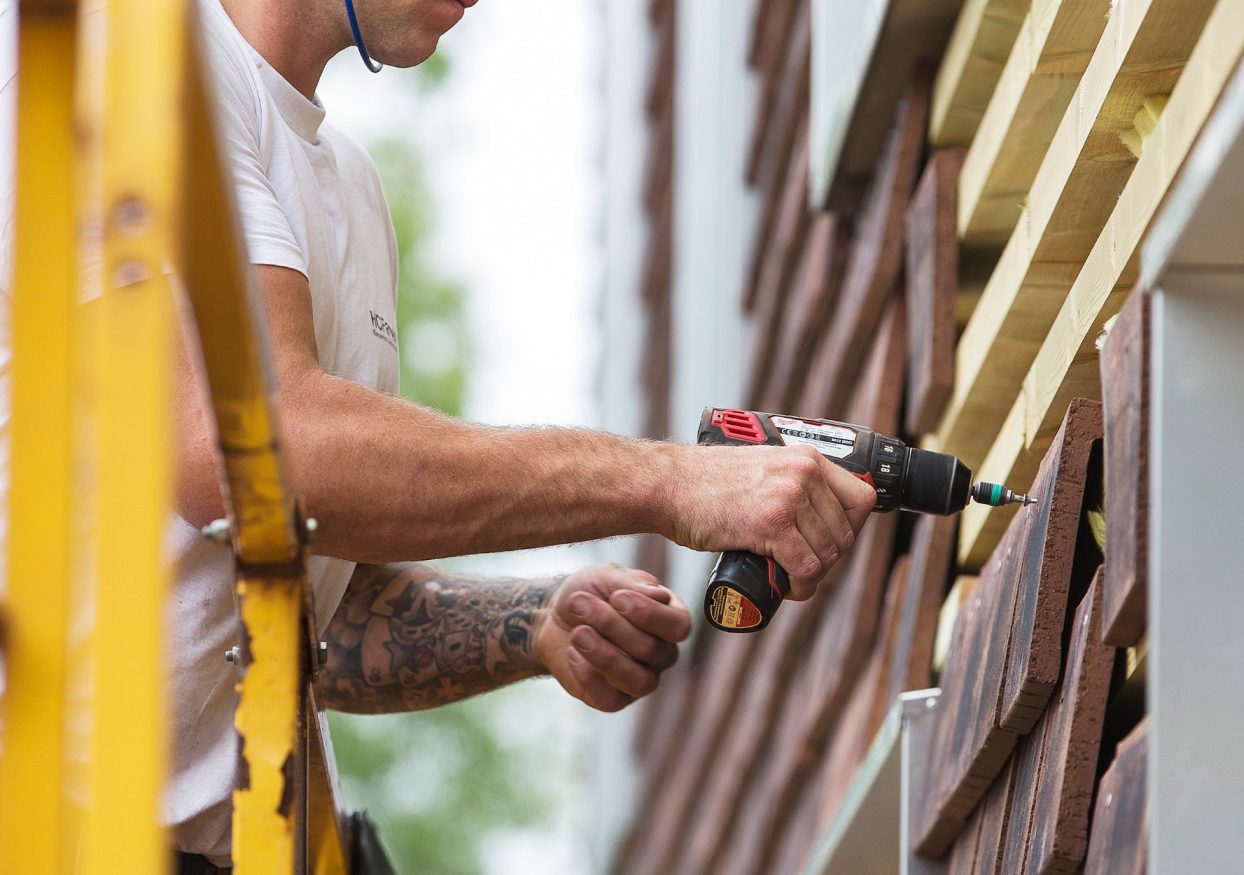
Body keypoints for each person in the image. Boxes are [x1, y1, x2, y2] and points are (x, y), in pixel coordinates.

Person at [169, 0, 877, 868]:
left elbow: (302, 601)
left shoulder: (344, 183)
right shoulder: (139, 65)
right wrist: (668, 482)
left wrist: (533, 622)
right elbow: (248, 449)